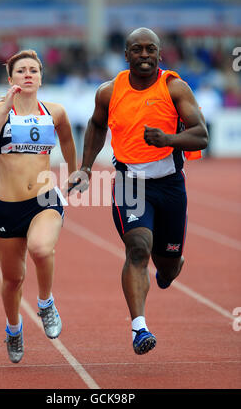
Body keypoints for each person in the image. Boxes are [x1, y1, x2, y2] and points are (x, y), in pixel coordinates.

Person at [71, 28, 208, 355]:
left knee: (168, 265)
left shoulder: (175, 88)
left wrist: (168, 140)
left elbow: (201, 135)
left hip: (170, 185)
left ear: (160, 55)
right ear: (126, 55)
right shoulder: (108, 91)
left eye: (150, 49)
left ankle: (169, 266)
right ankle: (139, 328)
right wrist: (86, 168)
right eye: (137, 49)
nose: (144, 55)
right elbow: (96, 124)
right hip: (129, 183)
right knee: (137, 247)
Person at [0, 49, 77, 363]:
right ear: (11, 79)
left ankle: (46, 303)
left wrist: (77, 172)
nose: (28, 75)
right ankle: (13, 328)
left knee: (40, 249)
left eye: (33, 70)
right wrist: (5, 106)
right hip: (7, 207)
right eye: (21, 71)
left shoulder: (55, 111)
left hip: (44, 200)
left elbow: (67, 139)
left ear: (41, 77)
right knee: (13, 279)